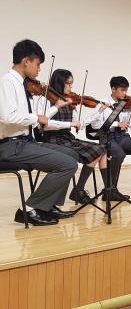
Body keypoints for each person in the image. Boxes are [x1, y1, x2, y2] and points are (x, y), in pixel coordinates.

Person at [0, 39, 78, 226]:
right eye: (38, 64)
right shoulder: (7, 82)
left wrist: (53, 109)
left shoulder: (22, 84)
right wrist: (36, 117)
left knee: (71, 154)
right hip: (11, 146)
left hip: (24, 142)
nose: (39, 70)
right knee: (67, 164)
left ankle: (48, 205)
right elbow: (7, 117)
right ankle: (28, 210)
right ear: (26, 61)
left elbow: (35, 120)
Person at [35, 69, 108, 204]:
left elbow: (79, 124)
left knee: (101, 149)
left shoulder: (70, 101)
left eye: (71, 84)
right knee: (97, 151)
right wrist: (68, 121)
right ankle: (76, 192)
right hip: (52, 140)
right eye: (68, 83)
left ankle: (86, 190)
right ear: (59, 83)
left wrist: (98, 112)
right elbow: (43, 125)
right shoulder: (44, 100)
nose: (71, 87)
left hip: (67, 138)